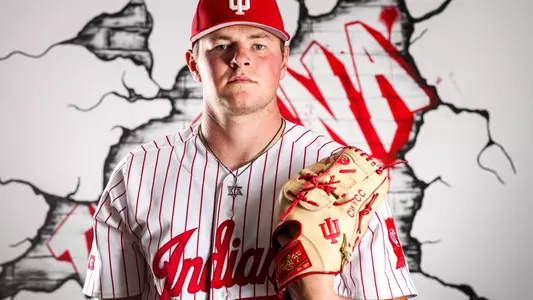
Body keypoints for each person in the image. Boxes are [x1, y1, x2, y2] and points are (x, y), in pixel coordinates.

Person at [82, 0, 418, 299]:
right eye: (222, 45)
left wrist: (320, 295)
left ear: (284, 61)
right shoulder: (138, 174)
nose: (240, 59)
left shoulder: (340, 176)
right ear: (194, 63)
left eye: (258, 45)